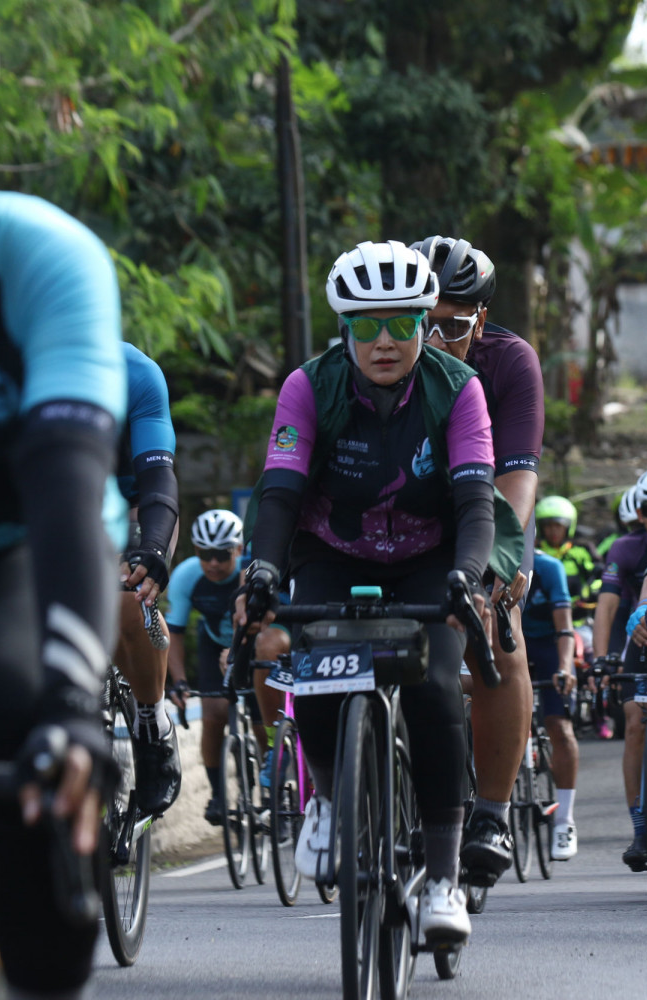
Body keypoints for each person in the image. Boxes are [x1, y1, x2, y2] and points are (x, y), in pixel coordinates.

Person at [0, 6, 126, 992]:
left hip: (12, 550)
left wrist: (71, 706)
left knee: (12, 703)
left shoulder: (44, 260)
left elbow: (65, 485)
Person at [236, 239, 519, 946]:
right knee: (319, 672)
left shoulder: (458, 388)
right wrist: (263, 569)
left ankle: (444, 879)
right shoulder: (309, 386)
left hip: (432, 557)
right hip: (331, 551)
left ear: (425, 323)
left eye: (402, 324)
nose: (385, 342)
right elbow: (280, 491)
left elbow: (476, 502)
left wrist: (468, 575)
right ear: (345, 329)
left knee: (433, 686)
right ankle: (329, 801)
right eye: (367, 326)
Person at [412, 235, 544, 886]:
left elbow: (516, 479)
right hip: (406, 512)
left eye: (454, 327)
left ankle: (490, 813)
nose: (436, 341)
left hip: (489, 509)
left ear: (482, 321)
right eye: (424, 324)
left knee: (498, 635)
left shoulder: (510, 363)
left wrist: (496, 565)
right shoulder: (379, 350)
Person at [166, 510, 288, 822]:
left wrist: (236, 652)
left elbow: (252, 622)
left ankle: (273, 795)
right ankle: (218, 795)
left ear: (238, 550)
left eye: (222, 554)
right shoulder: (186, 576)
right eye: (204, 554)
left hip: (253, 640)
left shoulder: (250, 573)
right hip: (212, 644)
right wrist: (179, 681)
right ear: (196, 551)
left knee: (262, 722)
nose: (213, 563)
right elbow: (174, 633)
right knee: (213, 715)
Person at [114, 342, 182, 817]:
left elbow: (158, 480)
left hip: (132, 504)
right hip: (47, 507)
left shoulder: (136, 373)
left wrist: (153, 548)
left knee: (130, 597)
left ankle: (151, 722)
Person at [595, 465, 647, 870]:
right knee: (635, 724)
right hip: (640, 639)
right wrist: (601, 658)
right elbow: (606, 607)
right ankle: (640, 828)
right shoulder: (625, 549)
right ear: (640, 514)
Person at [521, 546, 580, 860]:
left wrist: (565, 667)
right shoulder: (490, 561)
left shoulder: (549, 567)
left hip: (549, 645)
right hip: (512, 641)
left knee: (559, 727)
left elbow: (565, 628)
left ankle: (564, 821)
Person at [536, 495, 599, 626]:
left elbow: (598, 575)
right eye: (548, 526)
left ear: (569, 526)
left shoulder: (580, 551)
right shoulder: (535, 552)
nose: (553, 531)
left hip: (577, 622)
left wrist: (589, 593)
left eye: (558, 525)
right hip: (539, 623)